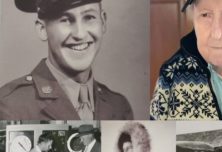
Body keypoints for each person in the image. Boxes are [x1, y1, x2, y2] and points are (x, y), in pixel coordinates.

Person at [0, 0, 133, 120]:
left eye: (89, 17)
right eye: (65, 20)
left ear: (103, 22)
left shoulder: (119, 106)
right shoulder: (11, 106)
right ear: (42, 29)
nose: (80, 34)